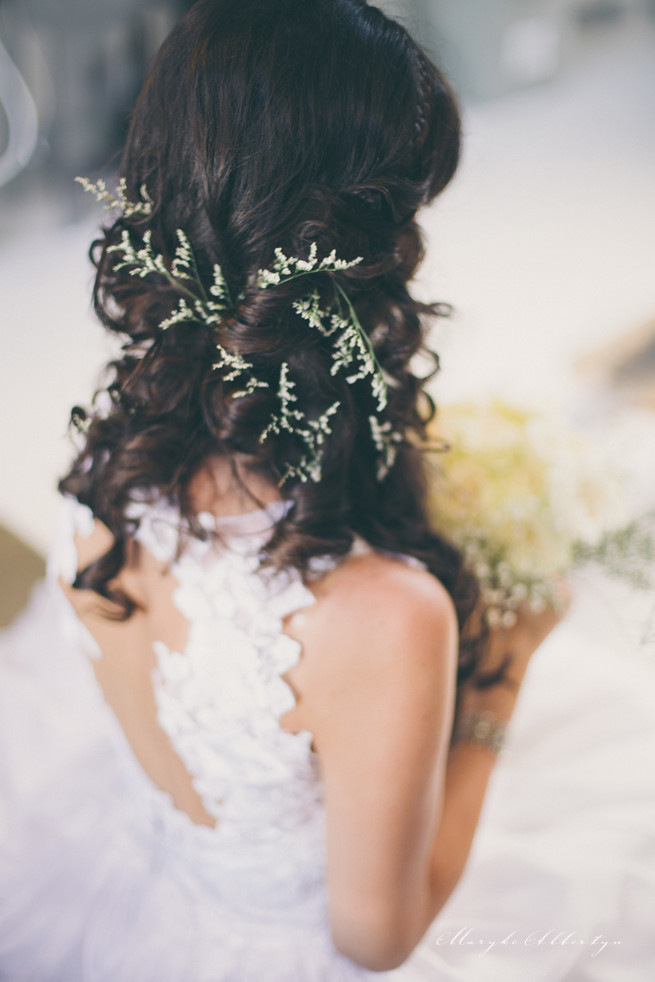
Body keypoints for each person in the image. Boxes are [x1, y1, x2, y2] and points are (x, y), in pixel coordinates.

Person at [0, 0, 614, 979]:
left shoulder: (109, 458)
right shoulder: (382, 614)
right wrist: (501, 667)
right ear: (363, 256)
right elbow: (371, 939)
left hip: (130, 853)